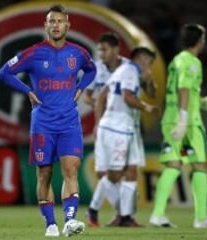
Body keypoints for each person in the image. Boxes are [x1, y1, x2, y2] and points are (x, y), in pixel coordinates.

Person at [0, 4, 96, 237]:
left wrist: (81, 87)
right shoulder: (33, 53)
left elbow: (91, 70)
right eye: (51, 21)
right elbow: (4, 72)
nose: (55, 25)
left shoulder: (78, 53)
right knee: (45, 173)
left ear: (67, 25)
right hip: (43, 123)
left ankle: (69, 222)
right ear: (45, 26)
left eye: (59, 21)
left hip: (70, 122)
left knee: (71, 170)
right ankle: (50, 224)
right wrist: (27, 91)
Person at [149, 23, 207, 228]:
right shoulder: (192, 62)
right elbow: (183, 88)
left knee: (173, 165)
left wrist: (200, 102)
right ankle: (200, 219)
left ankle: (157, 214)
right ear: (201, 41)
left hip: (170, 119)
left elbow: (180, 91)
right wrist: (184, 118)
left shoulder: (176, 60)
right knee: (199, 165)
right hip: (188, 122)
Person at [95, 47, 157, 227]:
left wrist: (149, 78)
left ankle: (125, 216)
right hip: (118, 128)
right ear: (141, 58)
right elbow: (127, 97)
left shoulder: (126, 71)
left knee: (131, 171)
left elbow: (103, 96)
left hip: (126, 128)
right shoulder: (129, 71)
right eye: (149, 61)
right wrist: (147, 108)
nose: (150, 65)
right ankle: (122, 212)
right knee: (115, 174)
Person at [84, 32, 129, 227]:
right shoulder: (95, 68)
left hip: (125, 126)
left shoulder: (128, 68)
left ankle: (111, 213)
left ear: (116, 49)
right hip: (103, 124)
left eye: (104, 49)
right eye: (99, 49)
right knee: (105, 171)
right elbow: (87, 96)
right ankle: (120, 214)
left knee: (120, 173)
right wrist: (101, 106)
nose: (100, 53)